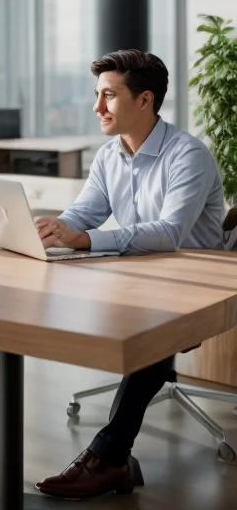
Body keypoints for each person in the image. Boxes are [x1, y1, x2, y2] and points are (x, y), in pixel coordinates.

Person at [33, 49, 228, 501]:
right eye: (97, 96)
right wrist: (54, 228)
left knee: (152, 329)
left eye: (108, 96)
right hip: (141, 276)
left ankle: (110, 457)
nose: (97, 107)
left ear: (144, 101)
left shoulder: (188, 156)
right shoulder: (109, 156)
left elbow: (169, 234)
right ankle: (113, 458)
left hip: (198, 282)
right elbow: (85, 214)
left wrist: (82, 240)